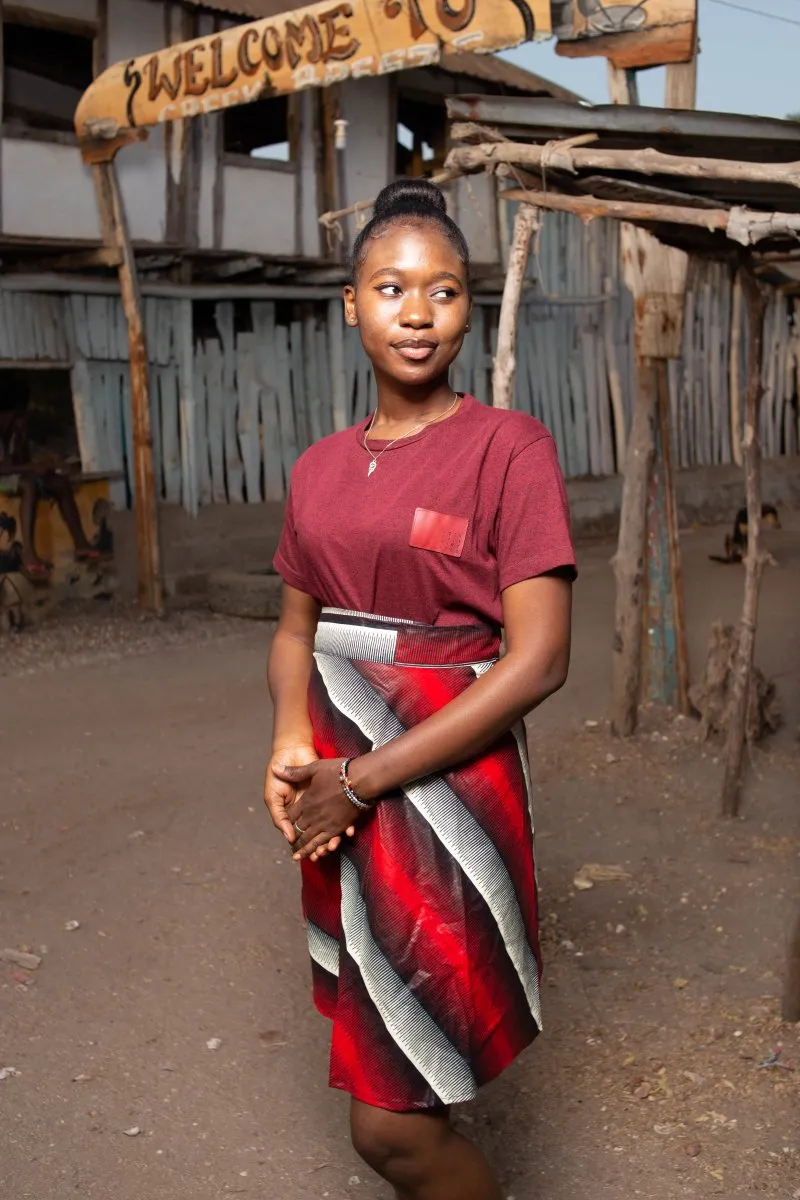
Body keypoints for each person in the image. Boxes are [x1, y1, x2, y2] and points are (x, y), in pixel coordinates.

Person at [265, 178, 576, 1200]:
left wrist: (360, 779)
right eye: (389, 287)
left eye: (440, 291)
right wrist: (288, 743)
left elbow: (536, 660)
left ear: (465, 308)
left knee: (390, 1128)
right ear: (350, 304)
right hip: (341, 789)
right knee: (397, 1065)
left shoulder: (506, 449)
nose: (414, 311)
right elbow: (296, 628)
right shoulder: (315, 470)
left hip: (440, 792)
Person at [0, 397, 100, 579]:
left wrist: (41, 464)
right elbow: (3, 469)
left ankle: (81, 543)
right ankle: (29, 554)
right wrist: (31, 468)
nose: (21, 422)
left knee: (60, 482)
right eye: (17, 417)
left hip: (12, 475)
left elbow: (19, 463)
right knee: (28, 486)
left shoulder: (13, 434)